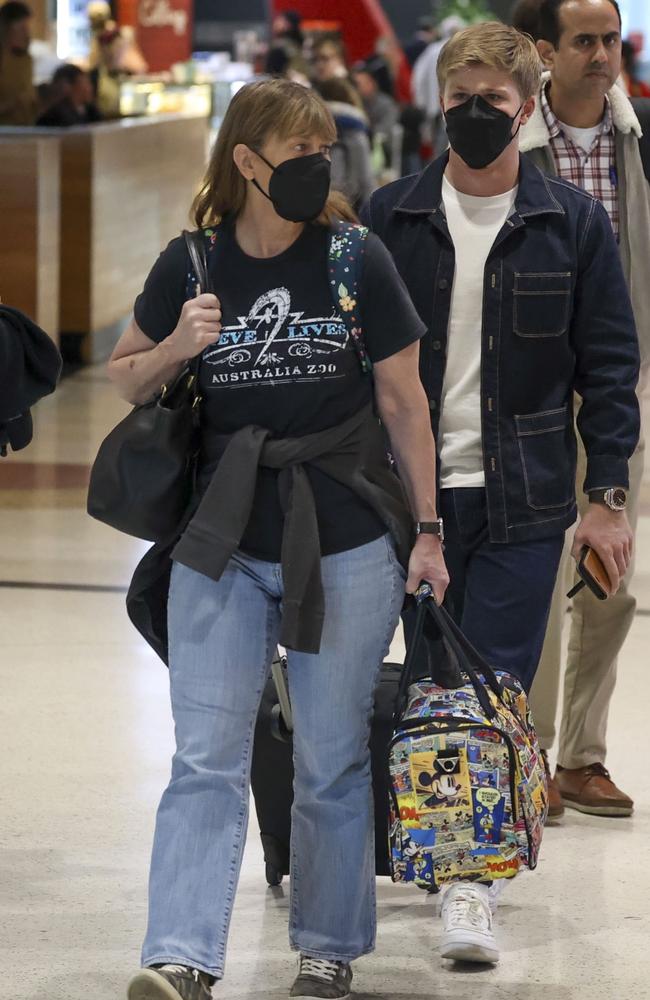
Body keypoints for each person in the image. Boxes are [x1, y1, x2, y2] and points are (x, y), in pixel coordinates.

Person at [107, 78, 449, 1000]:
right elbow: (124, 378)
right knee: (204, 756)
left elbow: (403, 403)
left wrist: (427, 532)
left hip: (343, 539)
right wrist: (179, 343)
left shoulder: (355, 258)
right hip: (221, 541)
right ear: (247, 164)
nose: (316, 168)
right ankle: (181, 955)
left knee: (331, 754)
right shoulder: (191, 263)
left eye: (322, 152)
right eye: (297, 155)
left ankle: (328, 948)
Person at [361, 20, 639, 966]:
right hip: (409, 498)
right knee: (433, 685)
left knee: (491, 694)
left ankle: (467, 886)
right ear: (439, 105)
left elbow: (608, 368)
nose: (474, 117)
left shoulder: (571, 220)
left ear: (525, 111)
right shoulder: (388, 216)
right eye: (459, 102)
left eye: (493, 104)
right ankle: (435, 848)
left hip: (525, 497)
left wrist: (608, 494)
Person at [520, 0, 650, 820]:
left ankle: (582, 757)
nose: (603, 54)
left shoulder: (639, 141)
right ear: (545, 52)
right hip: (529, 388)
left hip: (618, 383)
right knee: (534, 573)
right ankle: (525, 755)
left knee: (611, 574)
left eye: (611, 39)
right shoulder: (512, 141)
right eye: (586, 41)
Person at [411, 16, 465, 157]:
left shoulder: (432, 50)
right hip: (457, 107)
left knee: (440, 148)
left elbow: (418, 78)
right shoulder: (464, 51)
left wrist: (422, 102)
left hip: (436, 107)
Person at [318, 77, 375, 210]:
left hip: (319, 203)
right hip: (348, 204)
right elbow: (366, 179)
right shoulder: (356, 127)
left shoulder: (311, 123)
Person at [0, 1, 36, 126]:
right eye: (22, 28)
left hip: (25, 131)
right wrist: (10, 105)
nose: (26, 34)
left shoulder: (26, 60)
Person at [36, 64, 101, 127]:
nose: (90, 88)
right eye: (85, 83)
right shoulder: (53, 117)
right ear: (67, 86)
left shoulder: (91, 111)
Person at [352, 59, 399, 145]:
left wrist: (367, 132)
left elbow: (385, 131)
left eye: (357, 84)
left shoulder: (386, 104)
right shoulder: (353, 104)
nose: (354, 89)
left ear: (371, 83)